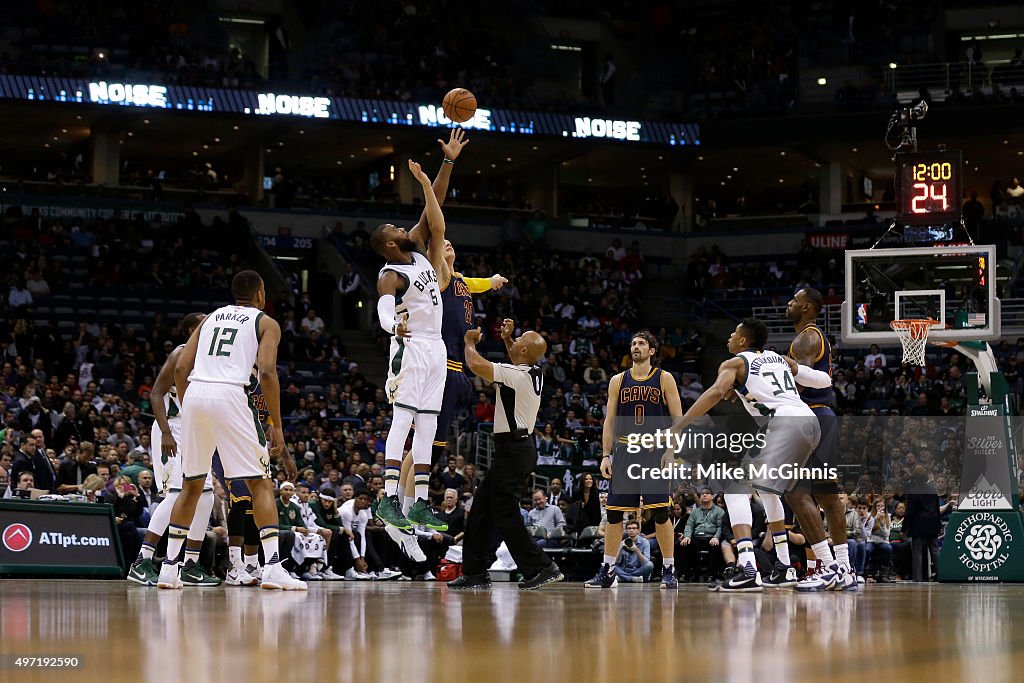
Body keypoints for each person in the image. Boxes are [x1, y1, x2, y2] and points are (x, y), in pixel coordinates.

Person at [157, 270, 303, 591]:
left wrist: (190, 404)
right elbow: (266, 373)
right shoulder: (266, 323)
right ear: (261, 294)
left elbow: (182, 367)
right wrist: (277, 424)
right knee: (261, 483)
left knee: (191, 485)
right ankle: (274, 567)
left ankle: (169, 569)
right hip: (232, 394)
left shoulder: (209, 319)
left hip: (195, 394)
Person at [674, 318, 821, 592]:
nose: (729, 337)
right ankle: (785, 567)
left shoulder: (734, 363)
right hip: (808, 422)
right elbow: (770, 389)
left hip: (784, 424)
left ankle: (748, 567)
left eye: (733, 333)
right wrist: (742, 394)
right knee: (769, 492)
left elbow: (717, 392)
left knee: (733, 488)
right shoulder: (777, 358)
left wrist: (678, 426)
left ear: (743, 341)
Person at [371, 155, 456, 533]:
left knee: (428, 426)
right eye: (394, 226)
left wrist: (445, 163)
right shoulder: (390, 275)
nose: (401, 225)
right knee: (403, 420)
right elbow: (384, 311)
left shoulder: (419, 248)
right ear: (390, 242)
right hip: (411, 346)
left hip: (436, 348)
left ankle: (419, 502)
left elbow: (432, 202)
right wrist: (394, 328)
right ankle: (388, 498)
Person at [448, 319, 563, 590]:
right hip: (515, 449)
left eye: (521, 339)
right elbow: (517, 356)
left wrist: (468, 343)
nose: (517, 341)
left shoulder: (517, 375)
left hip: (514, 449)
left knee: (504, 512)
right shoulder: (533, 371)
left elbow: (476, 365)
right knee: (481, 510)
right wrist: (508, 339)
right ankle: (474, 571)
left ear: (524, 352)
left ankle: (542, 567)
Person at [128, 313, 221, 587]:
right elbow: (155, 393)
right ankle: (141, 561)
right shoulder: (181, 353)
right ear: (193, 328)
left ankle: (190, 563)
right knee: (177, 494)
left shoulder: (212, 360)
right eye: (205, 322)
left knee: (205, 497)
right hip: (173, 429)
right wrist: (166, 432)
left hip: (197, 430)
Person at [586, 331, 683, 590]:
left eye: (641, 343)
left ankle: (669, 569)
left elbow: (678, 419)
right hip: (625, 450)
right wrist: (606, 454)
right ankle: (607, 570)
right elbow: (609, 421)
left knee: (661, 511)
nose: (636, 347)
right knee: (615, 513)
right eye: (633, 343)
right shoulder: (618, 380)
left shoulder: (664, 378)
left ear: (652, 350)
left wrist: (671, 451)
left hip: (654, 450)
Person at [784, 288, 857, 591]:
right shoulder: (812, 337)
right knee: (827, 493)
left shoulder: (807, 337)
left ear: (808, 307)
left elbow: (800, 381)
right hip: (822, 416)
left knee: (793, 490)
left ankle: (829, 567)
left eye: (794, 300)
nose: (789, 303)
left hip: (809, 414)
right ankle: (844, 568)